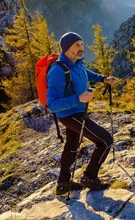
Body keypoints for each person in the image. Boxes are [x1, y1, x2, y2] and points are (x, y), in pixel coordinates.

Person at [47, 32, 117, 195]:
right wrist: (78, 99)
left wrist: (103, 79)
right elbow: (52, 104)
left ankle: (63, 183)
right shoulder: (57, 71)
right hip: (71, 115)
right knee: (105, 141)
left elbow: (86, 73)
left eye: (82, 44)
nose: (81, 48)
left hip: (77, 112)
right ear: (66, 49)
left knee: (72, 145)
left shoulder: (77, 63)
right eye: (77, 45)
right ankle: (89, 177)